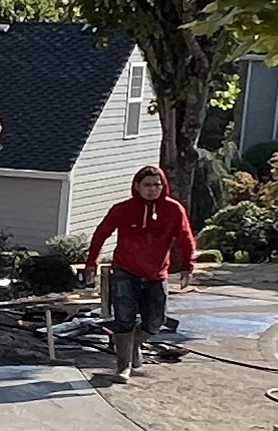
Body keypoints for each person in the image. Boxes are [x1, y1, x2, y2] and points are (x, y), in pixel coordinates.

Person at [84, 163, 198, 381]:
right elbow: (101, 233)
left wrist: (187, 267)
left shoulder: (173, 209)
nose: (152, 189)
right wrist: (91, 263)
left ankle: (133, 345)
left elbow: (186, 238)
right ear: (137, 186)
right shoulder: (123, 209)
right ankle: (123, 367)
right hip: (125, 271)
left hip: (156, 274)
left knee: (155, 321)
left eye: (157, 185)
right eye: (147, 185)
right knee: (124, 319)